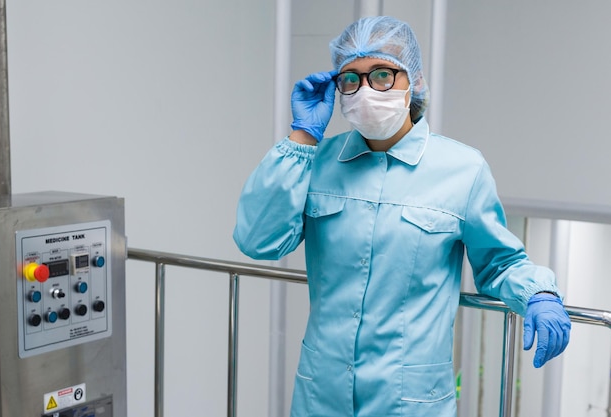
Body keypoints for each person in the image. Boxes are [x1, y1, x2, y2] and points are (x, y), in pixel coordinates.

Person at [233, 15, 571, 417]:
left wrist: (539, 293)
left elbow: (498, 262)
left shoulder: (462, 169)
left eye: (381, 74)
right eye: (350, 79)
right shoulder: (316, 160)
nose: (365, 90)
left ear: (414, 80)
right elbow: (258, 240)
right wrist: (302, 138)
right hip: (320, 394)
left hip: (409, 401)